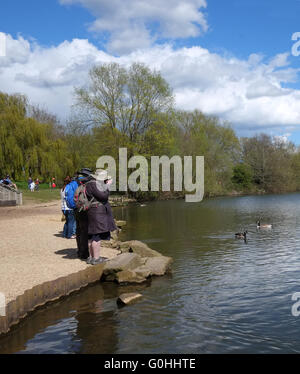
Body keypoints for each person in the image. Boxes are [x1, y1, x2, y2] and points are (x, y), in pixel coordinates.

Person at [85, 169, 117, 265]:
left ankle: (91, 257)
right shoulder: (94, 184)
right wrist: (107, 186)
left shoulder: (90, 183)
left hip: (92, 211)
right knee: (96, 236)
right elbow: (104, 196)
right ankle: (96, 258)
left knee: (91, 236)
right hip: (97, 213)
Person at [72, 168, 93, 259]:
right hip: (84, 211)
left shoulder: (77, 185)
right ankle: (85, 253)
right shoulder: (87, 186)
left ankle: (80, 251)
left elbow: (74, 199)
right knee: (84, 232)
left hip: (77, 210)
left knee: (79, 231)